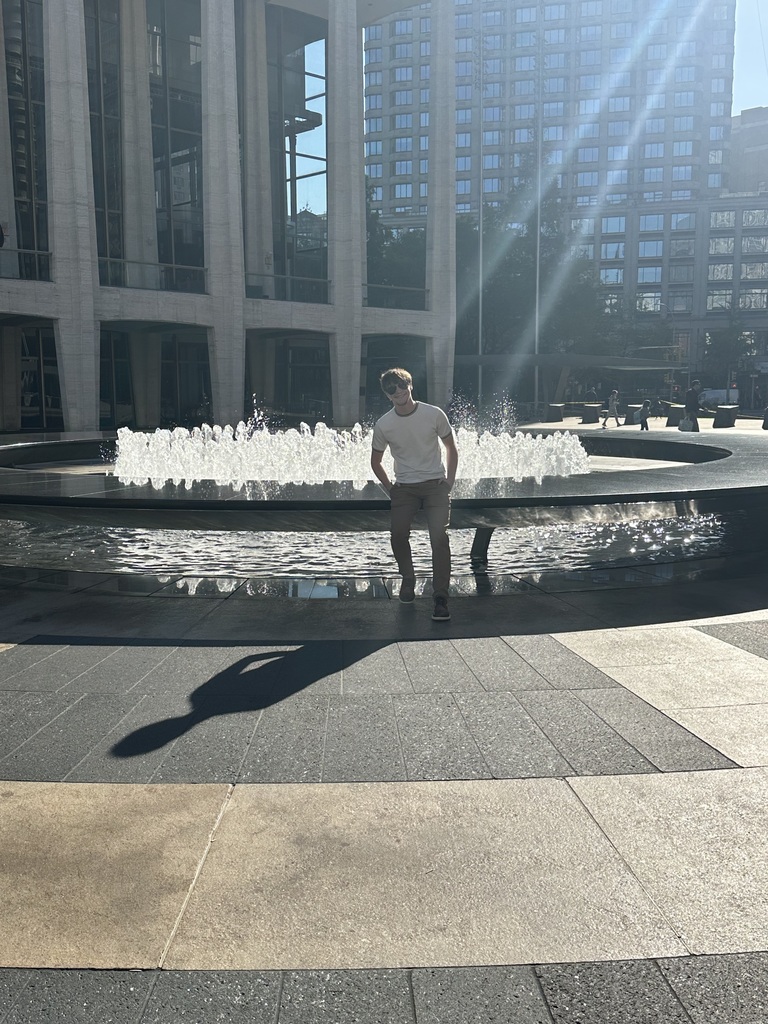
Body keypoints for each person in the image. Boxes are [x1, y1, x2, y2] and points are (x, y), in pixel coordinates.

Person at [371, 367, 458, 622]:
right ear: (387, 395)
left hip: (435, 485)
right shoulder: (384, 424)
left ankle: (440, 597)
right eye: (391, 389)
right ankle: (408, 579)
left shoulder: (434, 414)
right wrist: (391, 488)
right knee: (397, 534)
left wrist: (449, 482)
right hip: (405, 488)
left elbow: (451, 448)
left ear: (410, 385)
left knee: (439, 538)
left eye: (400, 385)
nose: (397, 391)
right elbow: (376, 462)